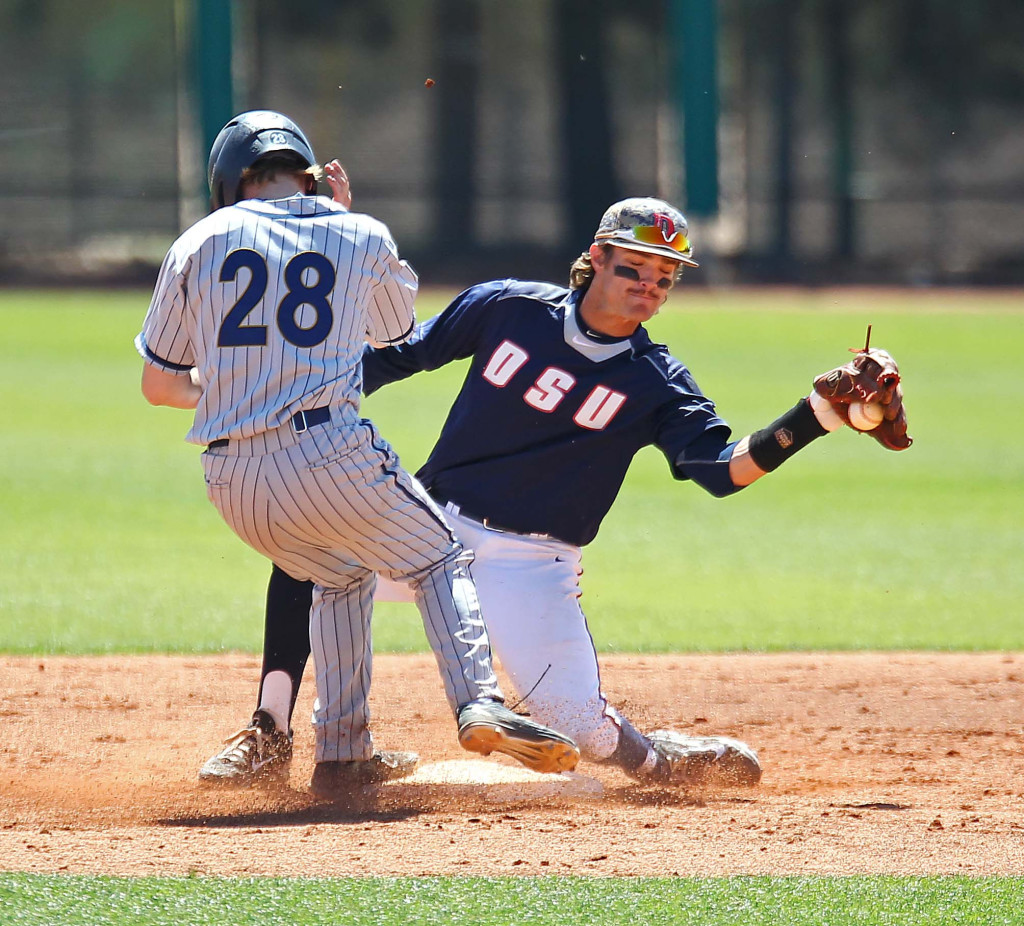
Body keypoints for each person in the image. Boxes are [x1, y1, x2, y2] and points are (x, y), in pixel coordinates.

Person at [200, 190, 909, 788]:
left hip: (532, 565)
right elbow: (395, 358)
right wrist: (283, 397)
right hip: (431, 526)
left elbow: (722, 472)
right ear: (596, 256)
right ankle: (269, 732)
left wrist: (814, 418)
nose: (650, 287)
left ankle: (660, 761)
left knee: (580, 732)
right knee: (311, 555)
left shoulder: (654, 380)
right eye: (637, 268)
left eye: (666, 278)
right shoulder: (506, 308)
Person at [136, 110, 580, 799]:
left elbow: (159, 384)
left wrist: (236, 385)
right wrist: (349, 224)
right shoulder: (360, 231)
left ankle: (342, 755)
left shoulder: (198, 239)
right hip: (330, 448)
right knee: (438, 555)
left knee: (340, 575)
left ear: (229, 180)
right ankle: (480, 701)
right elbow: (394, 331)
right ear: (311, 172)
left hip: (231, 478)